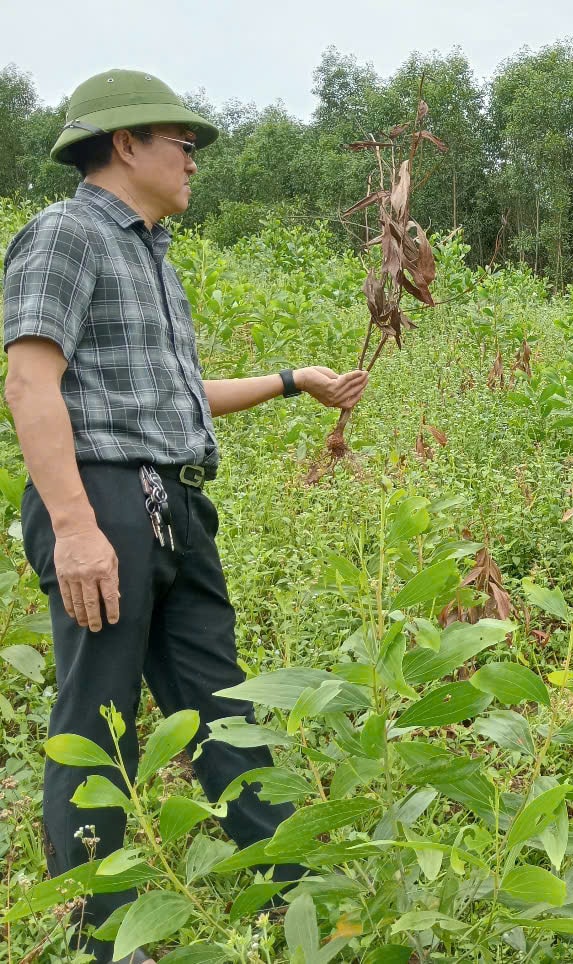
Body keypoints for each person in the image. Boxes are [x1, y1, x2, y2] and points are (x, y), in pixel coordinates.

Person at [2, 69, 369, 964]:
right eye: (185, 145)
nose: (194, 162)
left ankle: (297, 901)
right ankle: (107, 937)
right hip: (106, 504)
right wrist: (78, 525)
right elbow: (29, 380)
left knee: (222, 704)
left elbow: (172, 397)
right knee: (96, 721)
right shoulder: (65, 236)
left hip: (172, 503)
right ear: (126, 144)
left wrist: (291, 381)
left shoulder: (151, 253)